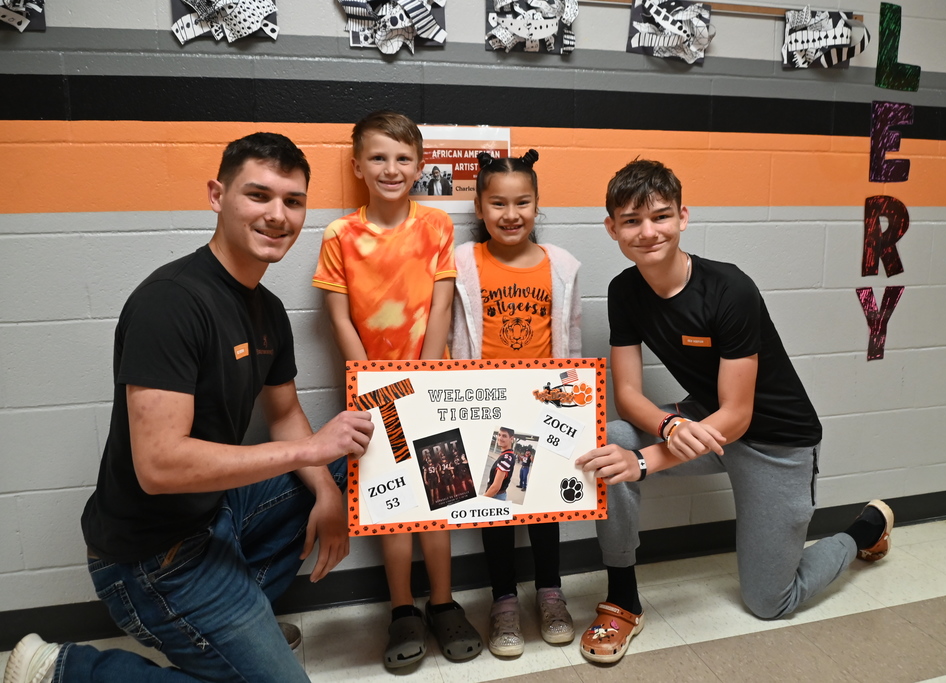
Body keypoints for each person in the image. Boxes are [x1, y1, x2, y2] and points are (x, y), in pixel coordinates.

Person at [3, 132, 375, 683]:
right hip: (154, 559)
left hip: (215, 515)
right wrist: (309, 451)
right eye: (258, 195)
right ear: (217, 196)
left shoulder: (268, 311)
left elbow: (283, 415)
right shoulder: (172, 302)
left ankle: (240, 625)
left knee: (346, 459)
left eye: (293, 201)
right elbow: (159, 467)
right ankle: (65, 669)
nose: (277, 215)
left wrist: (326, 490)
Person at [575, 159, 894, 664]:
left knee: (771, 602)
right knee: (611, 440)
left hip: (776, 441)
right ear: (612, 228)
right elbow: (629, 395)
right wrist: (669, 425)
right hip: (706, 424)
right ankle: (622, 600)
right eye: (632, 220)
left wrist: (645, 460)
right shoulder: (624, 290)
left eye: (660, 216)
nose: (648, 232)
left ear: (683, 217)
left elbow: (739, 415)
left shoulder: (730, 288)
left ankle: (865, 530)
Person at [311, 110, 480, 668]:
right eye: (378, 157)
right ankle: (402, 609)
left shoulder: (437, 226)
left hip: (432, 385)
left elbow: (441, 305)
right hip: (373, 392)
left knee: (441, 498)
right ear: (358, 165)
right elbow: (338, 317)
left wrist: (425, 378)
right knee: (395, 504)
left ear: (420, 165)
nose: (391, 168)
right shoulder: (339, 235)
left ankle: (443, 602)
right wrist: (372, 383)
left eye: (403, 158)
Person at [449, 149, 581, 657]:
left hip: (545, 406)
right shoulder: (463, 263)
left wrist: (575, 406)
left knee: (544, 505)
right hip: (486, 404)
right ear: (479, 208)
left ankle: (551, 593)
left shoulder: (561, 266)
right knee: (497, 504)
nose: (511, 214)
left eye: (522, 202)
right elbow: (454, 334)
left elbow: (571, 339)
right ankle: (503, 601)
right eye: (498, 203)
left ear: (537, 204)